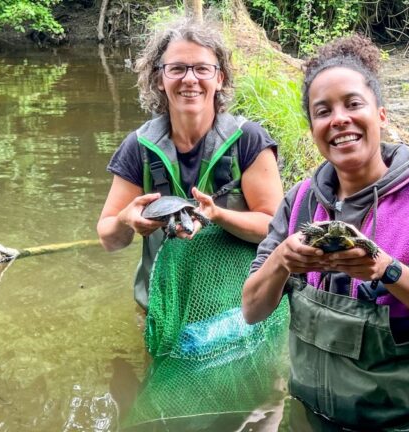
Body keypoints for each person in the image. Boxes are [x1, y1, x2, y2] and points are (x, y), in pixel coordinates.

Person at [242, 35, 409, 431]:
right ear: (313, 129)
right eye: (323, 111)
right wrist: (281, 261)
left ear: (381, 115)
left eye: (353, 104)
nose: (339, 119)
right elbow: (252, 310)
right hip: (312, 418)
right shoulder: (300, 202)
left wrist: (388, 271)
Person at [97, 17, 283, 311]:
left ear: (219, 78)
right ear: (159, 79)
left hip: (236, 309)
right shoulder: (138, 147)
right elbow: (109, 240)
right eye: (177, 69)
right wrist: (126, 220)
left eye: (202, 68)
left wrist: (217, 215)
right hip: (162, 307)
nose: (190, 79)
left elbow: (275, 228)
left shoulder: (249, 140)